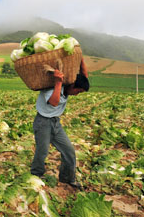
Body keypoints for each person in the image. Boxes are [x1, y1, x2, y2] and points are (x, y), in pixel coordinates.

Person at [30, 59, 90, 189]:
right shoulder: (51, 86)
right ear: (72, 85)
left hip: (55, 122)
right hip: (43, 122)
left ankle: (68, 178)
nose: (76, 95)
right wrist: (58, 83)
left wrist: (80, 58)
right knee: (42, 151)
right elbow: (54, 102)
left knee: (69, 151)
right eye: (78, 91)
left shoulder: (70, 86)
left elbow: (84, 75)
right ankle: (36, 175)